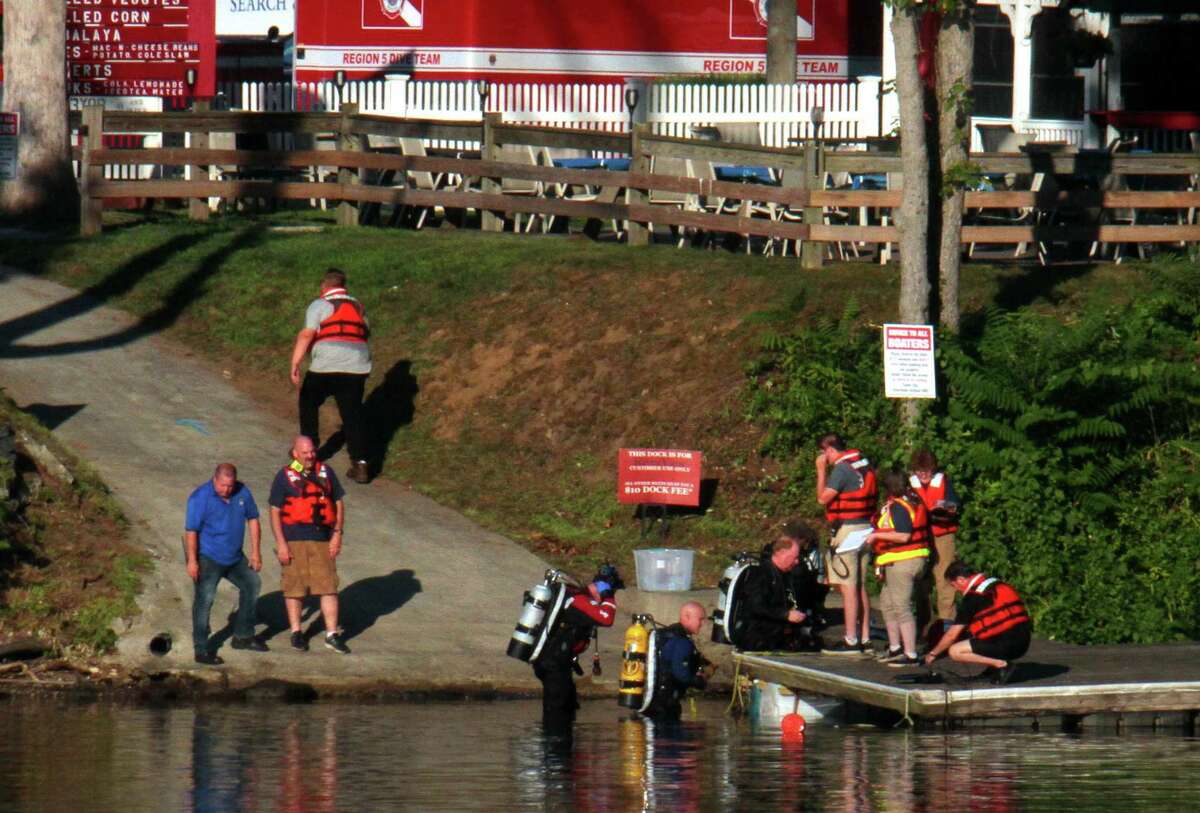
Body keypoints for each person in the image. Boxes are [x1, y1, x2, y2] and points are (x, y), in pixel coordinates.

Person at [268, 435, 351, 655]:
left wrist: (337, 534)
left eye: (312, 451)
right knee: (294, 588)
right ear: (295, 453)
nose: (310, 456)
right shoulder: (284, 476)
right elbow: (275, 511)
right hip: (294, 538)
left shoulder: (327, 473)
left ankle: (331, 634)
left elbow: (338, 503)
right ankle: (296, 632)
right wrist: (281, 543)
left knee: (329, 587)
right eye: (305, 453)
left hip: (322, 538)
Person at [290, 268, 373, 485]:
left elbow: (307, 334)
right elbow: (365, 332)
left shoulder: (319, 305)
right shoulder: (358, 306)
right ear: (344, 286)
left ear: (324, 287)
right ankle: (361, 463)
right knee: (352, 415)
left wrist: (296, 362)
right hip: (357, 366)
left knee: (308, 402)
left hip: (326, 365)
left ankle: (308, 454)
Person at [184, 463, 265, 665]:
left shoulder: (242, 492)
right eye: (222, 485)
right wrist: (193, 561)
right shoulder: (200, 498)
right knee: (205, 599)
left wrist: (255, 552)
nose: (226, 490)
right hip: (208, 556)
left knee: (252, 584)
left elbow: (253, 519)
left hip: (235, 556)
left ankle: (243, 636)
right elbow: (191, 531)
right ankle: (201, 648)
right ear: (215, 479)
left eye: (230, 486)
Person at [532, 564, 622, 733]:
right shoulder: (580, 600)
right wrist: (609, 597)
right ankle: (555, 751)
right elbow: (606, 619)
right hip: (553, 663)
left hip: (555, 662)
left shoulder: (577, 598)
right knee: (557, 713)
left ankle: (562, 747)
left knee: (568, 705)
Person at [815, 433, 877, 654]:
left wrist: (821, 470)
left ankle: (851, 639)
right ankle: (866, 637)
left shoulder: (841, 469)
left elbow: (823, 498)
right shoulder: (862, 461)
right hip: (866, 529)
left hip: (848, 531)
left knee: (848, 586)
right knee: (860, 585)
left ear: (830, 449)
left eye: (824, 452)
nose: (824, 457)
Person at [923, 561, 1032, 685]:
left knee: (955, 651)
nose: (956, 590)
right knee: (976, 632)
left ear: (961, 580)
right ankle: (994, 666)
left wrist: (933, 654)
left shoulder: (973, 597)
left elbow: (952, 635)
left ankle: (1001, 665)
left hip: (1009, 645)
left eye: (954, 585)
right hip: (1024, 639)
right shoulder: (994, 582)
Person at [867, 470, 932, 668]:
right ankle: (895, 647)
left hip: (903, 561)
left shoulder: (900, 507)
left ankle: (910, 654)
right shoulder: (909, 500)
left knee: (902, 607)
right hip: (896, 561)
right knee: (887, 603)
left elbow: (903, 535)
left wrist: (877, 536)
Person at [737, 523, 823, 652]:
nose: (797, 562)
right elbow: (755, 606)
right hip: (759, 634)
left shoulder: (786, 575)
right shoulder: (760, 573)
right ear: (781, 553)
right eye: (794, 558)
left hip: (780, 631)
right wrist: (785, 614)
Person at [909, 448, 961, 636]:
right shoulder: (909, 484)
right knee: (921, 579)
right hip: (920, 537)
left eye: (927, 470)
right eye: (919, 470)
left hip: (942, 536)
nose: (923, 474)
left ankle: (946, 623)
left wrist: (941, 508)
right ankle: (922, 623)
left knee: (944, 577)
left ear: (934, 468)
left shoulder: (944, 482)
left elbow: (955, 504)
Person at [642, 602, 716, 721]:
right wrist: (701, 681)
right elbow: (681, 674)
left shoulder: (665, 635)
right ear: (687, 617)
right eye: (700, 619)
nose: (702, 624)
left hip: (649, 702)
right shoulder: (682, 642)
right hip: (664, 706)